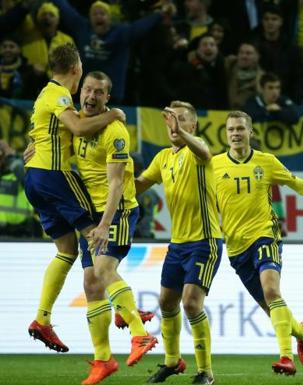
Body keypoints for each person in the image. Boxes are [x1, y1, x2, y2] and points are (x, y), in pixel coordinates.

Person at [25, 71, 158, 384]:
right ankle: (103, 360)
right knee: (91, 284)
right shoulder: (78, 125)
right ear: (80, 90)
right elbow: (53, 143)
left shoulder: (115, 130)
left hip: (119, 211)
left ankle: (140, 333)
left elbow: (115, 183)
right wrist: (34, 148)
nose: (91, 96)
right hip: (91, 210)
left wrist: (104, 224)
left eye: (99, 92)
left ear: (107, 97)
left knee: (101, 271)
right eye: (87, 89)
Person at [211, 110, 303, 375]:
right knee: (269, 307)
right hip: (236, 247)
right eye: (231, 130)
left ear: (250, 132)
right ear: (226, 134)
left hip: (265, 234)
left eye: (240, 129)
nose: (236, 134)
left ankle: (286, 357)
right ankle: (301, 332)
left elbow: (299, 185)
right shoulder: (214, 165)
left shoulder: (267, 162)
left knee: (272, 292)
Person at [24, 43, 124, 353]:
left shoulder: (45, 94)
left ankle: (42, 318)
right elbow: (78, 128)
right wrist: (114, 115)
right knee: (98, 226)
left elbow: (44, 131)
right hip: (53, 175)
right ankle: (126, 309)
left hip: (34, 178)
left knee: (66, 250)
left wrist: (33, 144)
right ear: (76, 69)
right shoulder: (59, 94)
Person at [136, 101, 222, 385]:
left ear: (192, 126)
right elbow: (138, 185)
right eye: (170, 119)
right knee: (166, 301)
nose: (173, 124)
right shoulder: (162, 158)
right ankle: (172, 362)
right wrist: (109, 174)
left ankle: (206, 372)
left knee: (191, 304)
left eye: (181, 119)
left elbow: (205, 151)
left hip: (205, 241)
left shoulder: (197, 149)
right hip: (177, 245)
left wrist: (181, 133)